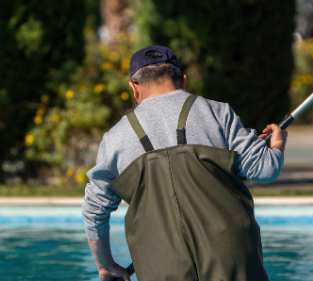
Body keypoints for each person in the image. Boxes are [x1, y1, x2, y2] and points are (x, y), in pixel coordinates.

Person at [82, 45, 288, 281]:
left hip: (160, 262)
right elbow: (264, 169)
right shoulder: (217, 112)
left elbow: (94, 210)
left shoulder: (115, 138)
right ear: (182, 81)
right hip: (231, 253)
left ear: (134, 88)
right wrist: (276, 145)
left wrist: (106, 264)